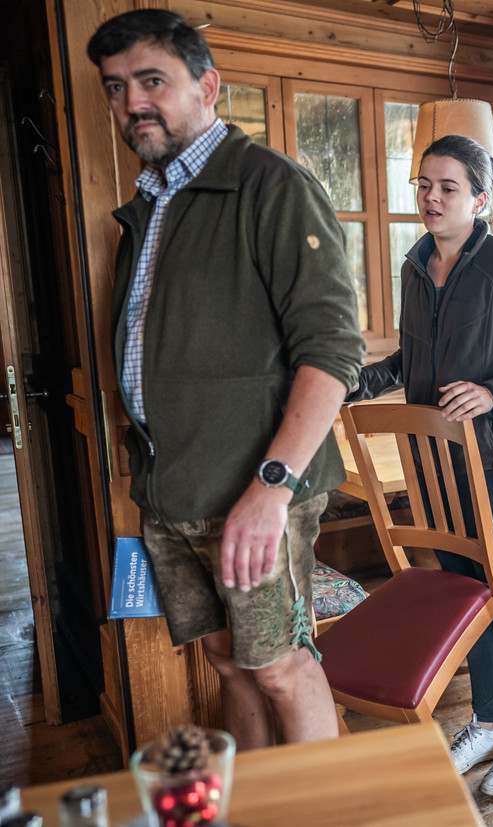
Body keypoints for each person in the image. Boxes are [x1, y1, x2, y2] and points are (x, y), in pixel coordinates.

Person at [87, 10, 364, 748]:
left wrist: (270, 488)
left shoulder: (271, 186)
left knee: (278, 666)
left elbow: (334, 352)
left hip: (253, 492)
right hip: (171, 493)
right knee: (227, 663)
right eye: (116, 88)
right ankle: (249, 805)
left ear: (208, 86)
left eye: (153, 81)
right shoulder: (149, 206)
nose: (132, 103)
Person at [349, 134, 493, 795]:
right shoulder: (416, 265)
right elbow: (408, 362)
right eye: (424, 184)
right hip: (436, 468)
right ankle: (486, 717)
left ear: (479, 198)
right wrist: (353, 380)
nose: (432, 197)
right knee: (462, 599)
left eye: (448, 187)